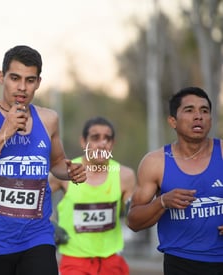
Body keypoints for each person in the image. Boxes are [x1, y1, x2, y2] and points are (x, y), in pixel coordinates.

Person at [0, 45, 86, 275]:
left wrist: (71, 172)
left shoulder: (49, 120)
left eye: (30, 80)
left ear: (38, 82)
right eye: (15, 78)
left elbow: (57, 163)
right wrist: (2, 135)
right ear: (1, 77)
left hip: (38, 237)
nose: (22, 87)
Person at [127, 87, 223, 274]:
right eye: (189, 110)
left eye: (204, 111)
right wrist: (162, 202)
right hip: (180, 263)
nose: (198, 116)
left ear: (210, 120)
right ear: (173, 121)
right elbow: (133, 221)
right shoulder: (155, 163)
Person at [49, 116, 136, 275]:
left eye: (107, 138)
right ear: (83, 142)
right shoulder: (66, 171)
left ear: (112, 144)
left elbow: (135, 216)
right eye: (95, 138)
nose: (102, 143)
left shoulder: (125, 175)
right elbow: (36, 198)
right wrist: (49, 225)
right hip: (74, 261)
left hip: (111, 260)